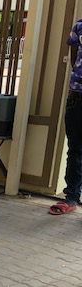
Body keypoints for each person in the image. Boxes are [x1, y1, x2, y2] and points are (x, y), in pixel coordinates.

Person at [50, 19, 82, 215]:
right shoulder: (79, 26)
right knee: (75, 149)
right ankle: (71, 197)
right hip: (77, 97)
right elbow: (73, 57)